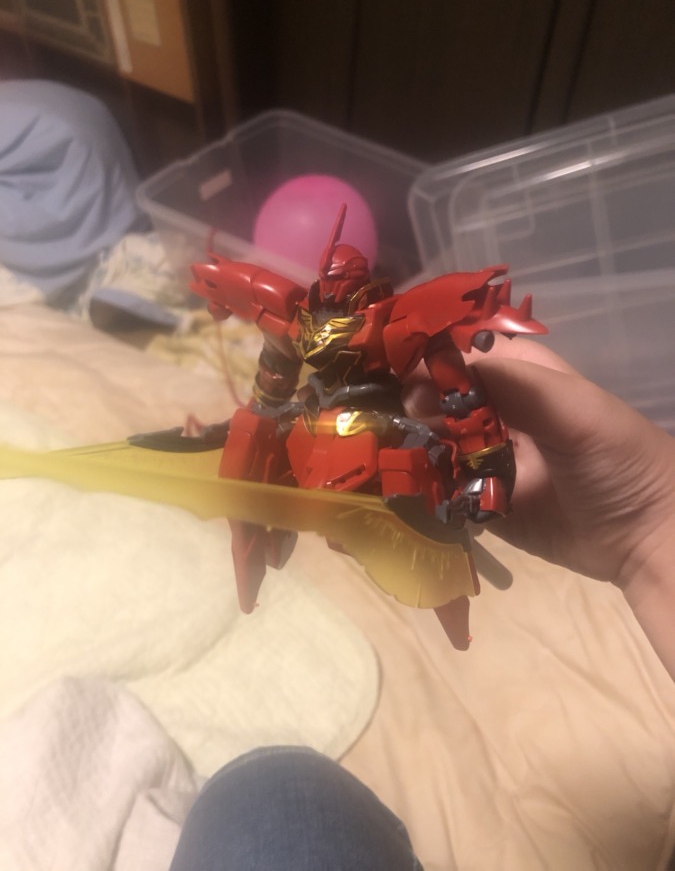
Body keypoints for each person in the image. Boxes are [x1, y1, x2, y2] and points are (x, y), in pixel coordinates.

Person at [170, 338, 675, 870]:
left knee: (264, 792)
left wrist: (650, 526)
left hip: (403, 454)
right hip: (345, 439)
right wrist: (652, 529)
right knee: (264, 791)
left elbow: (458, 402)